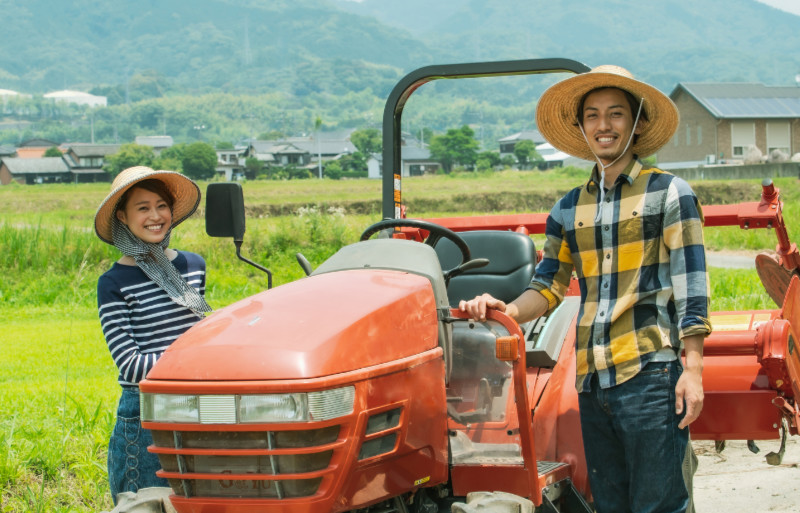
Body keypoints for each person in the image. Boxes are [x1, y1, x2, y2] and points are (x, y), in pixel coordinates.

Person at [460, 65, 711, 513]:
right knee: (610, 505)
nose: (603, 125)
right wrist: (507, 310)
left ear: (636, 125)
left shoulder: (670, 195)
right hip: (593, 381)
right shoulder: (568, 207)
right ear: (581, 128)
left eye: (616, 114)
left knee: (659, 505)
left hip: (651, 373)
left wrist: (692, 372)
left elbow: (692, 290)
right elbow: (548, 286)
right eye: (592, 116)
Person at [94, 166, 212, 504]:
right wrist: (192, 360)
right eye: (142, 208)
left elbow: (199, 331)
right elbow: (129, 365)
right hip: (145, 413)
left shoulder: (193, 266)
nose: (155, 216)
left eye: (161, 205)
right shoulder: (114, 283)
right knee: (144, 504)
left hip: (193, 405)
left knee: (193, 502)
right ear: (123, 217)